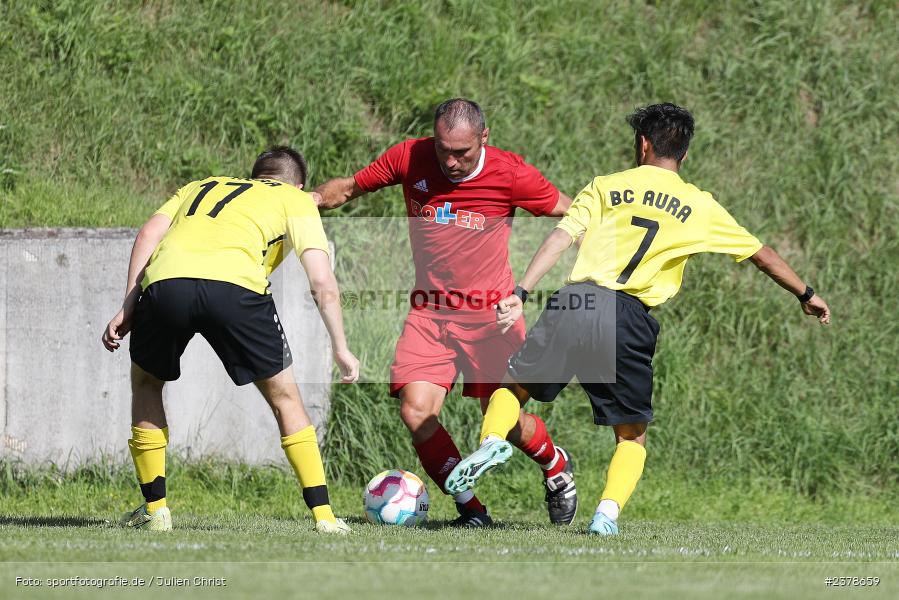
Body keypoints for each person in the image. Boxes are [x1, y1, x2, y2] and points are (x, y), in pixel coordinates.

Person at [445, 103, 831, 535]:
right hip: (628, 316)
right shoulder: (699, 205)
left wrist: (521, 292)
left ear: (642, 143)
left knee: (512, 391)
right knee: (631, 435)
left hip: (577, 301)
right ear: (682, 154)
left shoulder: (606, 186)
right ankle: (606, 515)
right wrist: (806, 293)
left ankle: (492, 442)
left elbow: (561, 236)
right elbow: (763, 256)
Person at [316, 98, 578, 526]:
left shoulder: (510, 173)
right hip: (430, 316)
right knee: (416, 410)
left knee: (505, 425)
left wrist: (598, 274)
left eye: (463, 152)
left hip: (493, 319)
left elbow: (572, 214)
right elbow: (346, 189)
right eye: (444, 150)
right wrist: (304, 200)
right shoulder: (410, 156)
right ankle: (472, 510)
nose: (451, 162)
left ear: (484, 139)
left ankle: (555, 464)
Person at [102, 146, 360, 533]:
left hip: (166, 283)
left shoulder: (200, 186)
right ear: (300, 184)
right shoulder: (294, 199)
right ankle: (324, 517)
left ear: (253, 175)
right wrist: (340, 346)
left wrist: (128, 305)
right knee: (285, 398)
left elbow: (148, 233)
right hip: (237, 290)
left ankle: (156, 510)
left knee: (146, 383)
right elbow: (321, 279)